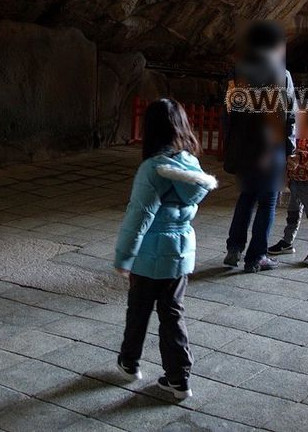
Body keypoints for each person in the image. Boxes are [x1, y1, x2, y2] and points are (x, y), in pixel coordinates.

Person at [113, 98, 218, 401]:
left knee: (139, 310)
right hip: (179, 255)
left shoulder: (152, 169)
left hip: (148, 258)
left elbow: (139, 218)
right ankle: (178, 378)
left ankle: (129, 363)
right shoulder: (191, 165)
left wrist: (124, 257)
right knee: (172, 314)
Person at [222, 20, 296, 273]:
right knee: (267, 201)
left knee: (246, 197)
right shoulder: (281, 74)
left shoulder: (237, 73)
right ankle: (257, 256)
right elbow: (287, 116)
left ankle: (234, 248)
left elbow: (230, 112)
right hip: (269, 150)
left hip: (243, 146)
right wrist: (289, 149)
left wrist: (231, 144)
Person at [268, 107, 308, 265]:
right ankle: (287, 242)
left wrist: (300, 156)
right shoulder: (297, 135)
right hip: (294, 182)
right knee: (293, 215)